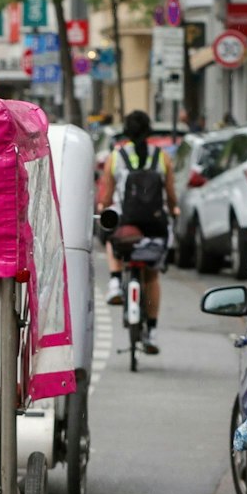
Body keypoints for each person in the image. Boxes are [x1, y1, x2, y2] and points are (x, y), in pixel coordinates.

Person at [96, 110, 179, 354]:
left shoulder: (116, 156)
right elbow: (171, 193)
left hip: (127, 224)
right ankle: (151, 331)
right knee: (152, 276)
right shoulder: (162, 157)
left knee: (111, 235)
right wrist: (173, 209)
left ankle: (114, 282)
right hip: (154, 224)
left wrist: (103, 205)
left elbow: (107, 195)